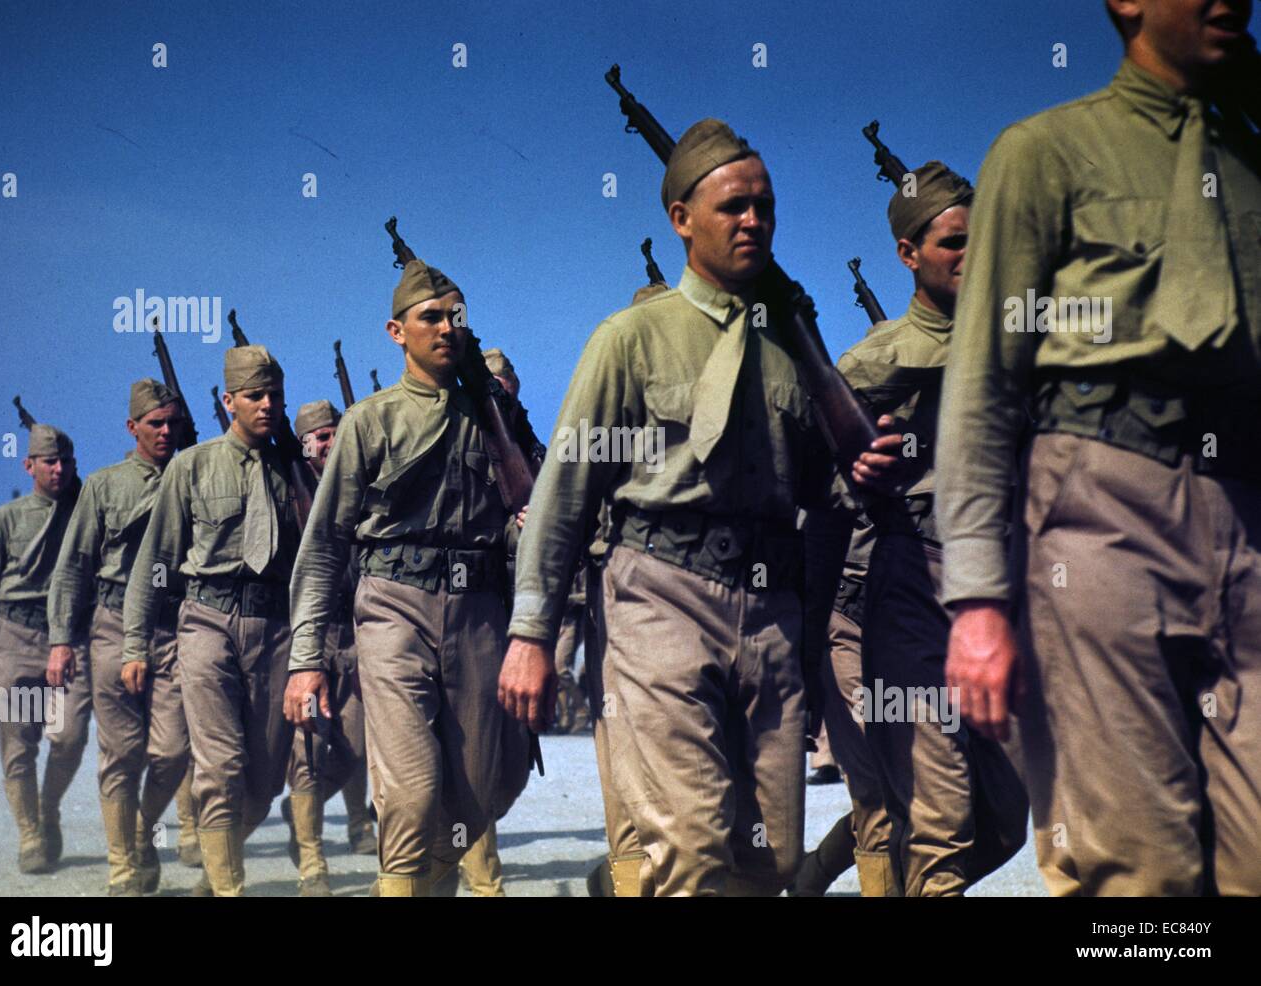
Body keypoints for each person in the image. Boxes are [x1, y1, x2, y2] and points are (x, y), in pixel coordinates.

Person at [500, 119, 910, 895]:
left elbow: (826, 495)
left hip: (773, 614)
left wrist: (866, 468)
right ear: (681, 220)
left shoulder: (798, 348)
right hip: (659, 596)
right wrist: (531, 632)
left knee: (770, 862)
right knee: (689, 851)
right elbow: (564, 495)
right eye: (732, 207)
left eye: (764, 206)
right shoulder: (630, 339)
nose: (753, 219)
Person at [939, 0, 1261, 895]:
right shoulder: (1046, 153)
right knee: (1137, 873)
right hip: (1099, 512)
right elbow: (982, 380)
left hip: (1251, 515)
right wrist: (976, 598)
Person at [287, 260, 529, 897]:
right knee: (413, 797)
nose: (446, 328)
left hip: (479, 611)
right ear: (397, 332)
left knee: (481, 794)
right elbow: (323, 549)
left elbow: (521, 520)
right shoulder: (370, 421)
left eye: (456, 317)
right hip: (392, 608)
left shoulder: (492, 417)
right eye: (430, 317)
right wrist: (305, 659)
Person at [837, 163, 1027, 896]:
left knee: (1008, 815)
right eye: (952, 243)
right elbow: (813, 489)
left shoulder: (1019, 345)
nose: (972, 256)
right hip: (910, 581)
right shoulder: (870, 363)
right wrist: (854, 476)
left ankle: (845, 871)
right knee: (940, 821)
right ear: (907, 255)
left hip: (1003, 592)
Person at [123, 345, 301, 896]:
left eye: (274, 395)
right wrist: (135, 642)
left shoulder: (296, 474)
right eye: (254, 396)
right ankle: (229, 889)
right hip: (207, 622)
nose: (266, 405)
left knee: (268, 776)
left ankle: (215, 865)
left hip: (275, 628)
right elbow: (155, 561)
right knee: (219, 768)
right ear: (229, 402)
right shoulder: (191, 465)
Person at [46, 380, 191, 895]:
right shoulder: (104, 486)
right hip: (110, 627)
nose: (166, 432)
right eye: (155, 424)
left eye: (173, 423)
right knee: (121, 753)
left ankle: (139, 828)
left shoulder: (192, 475)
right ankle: (123, 868)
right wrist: (62, 640)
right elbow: (73, 567)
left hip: (174, 626)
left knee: (174, 751)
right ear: (132, 428)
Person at [0, 423, 92, 875]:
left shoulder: (84, 513)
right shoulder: (5, 519)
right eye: (49, 462)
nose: (58, 469)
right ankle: (30, 833)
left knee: (71, 736)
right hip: (14, 639)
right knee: (19, 745)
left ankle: (49, 807)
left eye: (66, 462)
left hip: (70, 640)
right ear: (29, 465)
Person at [277, 398, 372, 896]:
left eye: (337, 433)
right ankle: (312, 861)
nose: (330, 442)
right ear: (303, 444)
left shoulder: (365, 486)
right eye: (321, 436)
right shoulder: (286, 492)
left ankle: (299, 819)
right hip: (307, 638)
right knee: (308, 747)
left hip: (357, 635)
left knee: (356, 747)